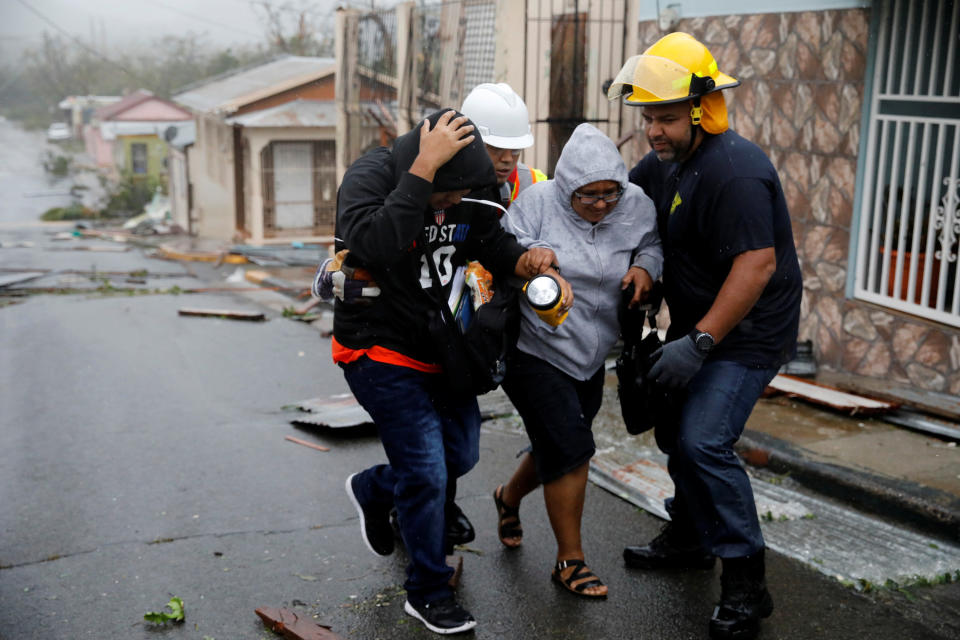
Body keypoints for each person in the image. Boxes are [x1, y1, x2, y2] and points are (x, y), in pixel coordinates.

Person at [332, 108, 556, 635]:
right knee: (428, 471)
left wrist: (525, 260)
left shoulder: (469, 191)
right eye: (447, 195)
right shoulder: (372, 177)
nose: (454, 205)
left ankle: (376, 488)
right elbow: (374, 245)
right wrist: (422, 173)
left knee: (461, 454)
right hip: (376, 347)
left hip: (442, 346)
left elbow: (488, 241)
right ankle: (428, 591)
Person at [608, 32, 802, 639]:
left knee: (702, 441)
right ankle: (691, 537)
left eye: (665, 118)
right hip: (697, 326)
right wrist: (641, 262)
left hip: (745, 335)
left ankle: (748, 585)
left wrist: (699, 343)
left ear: (701, 110)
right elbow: (623, 198)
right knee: (673, 430)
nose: (653, 131)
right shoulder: (668, 162)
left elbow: (757, 266)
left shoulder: (736, 171)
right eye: (647, 118)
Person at [491, 122, 662, 599]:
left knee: (558, 443)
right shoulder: (537, 203)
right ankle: (571, 561)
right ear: (567, 187)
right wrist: (534, 257)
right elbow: (505, 248)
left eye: (611, 193)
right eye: (589, 196)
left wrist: (646, 266)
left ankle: (508, 497)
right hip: (536, 348)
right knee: (570, 444)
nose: (602, 204)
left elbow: (651, 242)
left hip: (594, 351)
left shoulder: (638, 205)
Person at [461, 82, 547, 210]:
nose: (508, 159)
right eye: (497, 148)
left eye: (516, 149)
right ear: (468, 141)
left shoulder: (535, 184)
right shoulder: (442, 187)